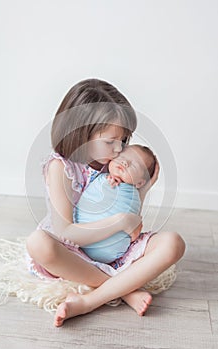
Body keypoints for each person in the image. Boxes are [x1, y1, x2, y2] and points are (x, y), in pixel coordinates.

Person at [26, 78, 185, 327]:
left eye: (123, 140)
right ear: (81, 133)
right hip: (75, 252)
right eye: (110, 141)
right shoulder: (61, 168)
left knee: (173, 244)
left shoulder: (114, 163)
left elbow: (130, 223)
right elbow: (67, 233)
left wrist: (141, 191)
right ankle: (123, 290)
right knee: (38, 244)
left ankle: (91, 300)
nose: (118, 149)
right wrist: (119, 221)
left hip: (113, 250)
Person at [76, 144, 156, 264]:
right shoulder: (96, 177)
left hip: (113, 253)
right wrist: (106, 184)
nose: (125, 163)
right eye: (122, 156)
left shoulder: (132, 196)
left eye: (134, 164)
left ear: (140, 183)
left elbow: (133, 223)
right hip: (79, 239)